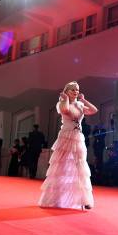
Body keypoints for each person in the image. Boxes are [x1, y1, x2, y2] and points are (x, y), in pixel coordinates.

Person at [39, 81, 98, 210]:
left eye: (77, 89)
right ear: (67, 91)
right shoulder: (61, 103)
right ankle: (54, 198)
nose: (76, 92)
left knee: (80, 166)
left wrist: (84, 100)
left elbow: (94, 110)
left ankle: (85, 200)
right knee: (60, 166)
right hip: (65, 136)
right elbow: (65, 110)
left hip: (78, 137)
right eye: (73, 90)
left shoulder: (80, 104)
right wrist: (65, 99)